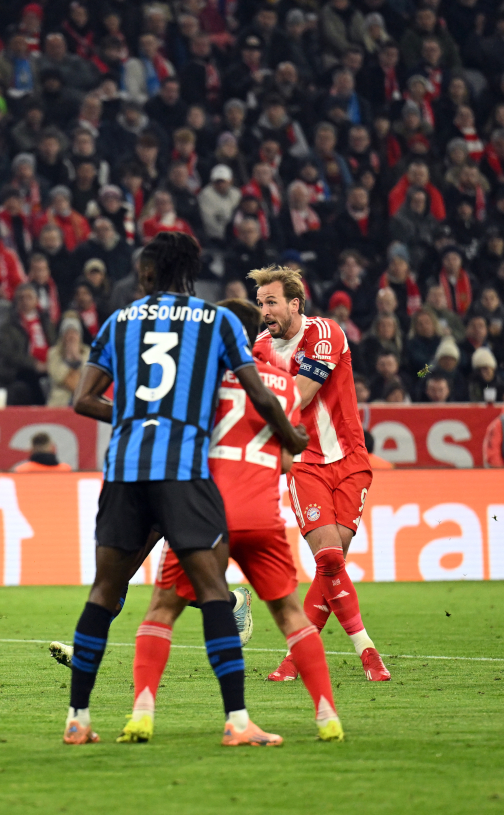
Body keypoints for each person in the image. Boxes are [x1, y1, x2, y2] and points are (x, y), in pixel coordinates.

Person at [62, 233, 307, 747]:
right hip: (182, 469)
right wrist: (289, 435)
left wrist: (131, 414)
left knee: (105, 590)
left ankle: (78, 719)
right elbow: (257, 391)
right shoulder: (215, 321)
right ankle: (237, 722)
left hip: (126, 467)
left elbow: (84, 401)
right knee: (214, 591)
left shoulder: (117, 322)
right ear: (192, 272)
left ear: (147, 273)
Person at [250, 265, 390, 683]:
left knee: (332, 565)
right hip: (306, 462)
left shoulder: (326, 334)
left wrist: (261, 396)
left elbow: (301, 394)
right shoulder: (259, 347)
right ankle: (367, 651)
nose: (265, 312)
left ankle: (295, 659)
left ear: (295, 303)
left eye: (271, 302)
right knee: (329, 558)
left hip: (350, 461)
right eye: (260, 304)